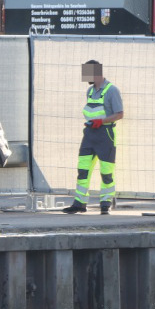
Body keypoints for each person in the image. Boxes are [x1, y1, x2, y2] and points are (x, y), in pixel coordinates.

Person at [62, 60, 124, 215]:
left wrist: (101, 121)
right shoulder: (90, 90)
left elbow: (120, 114)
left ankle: (105, 203)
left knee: (106, 171)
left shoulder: (112, 90)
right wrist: (92, 123)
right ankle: (80, 203)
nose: (85, 77)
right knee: (83, 169)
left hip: (106, 135)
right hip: (90, 134)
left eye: (87, 73)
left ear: (96, 72)